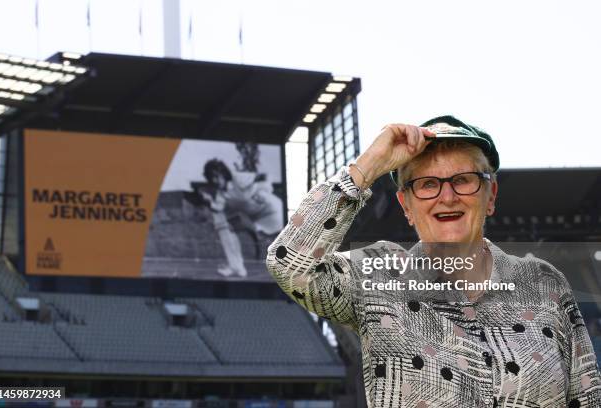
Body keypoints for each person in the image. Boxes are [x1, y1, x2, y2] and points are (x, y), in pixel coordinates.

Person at [266, 115, 600, 407]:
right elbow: (289, 264)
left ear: (491, 195)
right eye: (427, 184)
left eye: (463, 179)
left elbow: (586, 398)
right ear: (406, 206)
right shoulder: (379, 276)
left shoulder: (544, 282)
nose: (448, 196)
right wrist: (368, 165)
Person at [200, 158, 283, 278]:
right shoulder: (221, 194)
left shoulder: (238, 178)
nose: (215, 181)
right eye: (211, 178)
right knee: (224, 227)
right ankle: (237, 267)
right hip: (258, 219)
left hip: (273, 210)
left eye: (216, 176)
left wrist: (266, 189)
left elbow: (266, 176)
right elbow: (217, 208)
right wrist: (208, 201)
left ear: (223, 173)